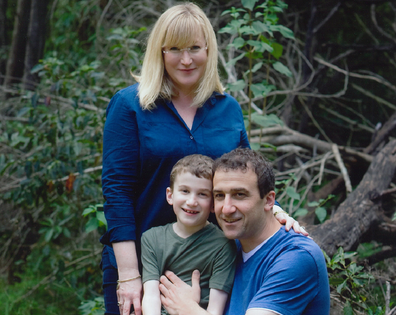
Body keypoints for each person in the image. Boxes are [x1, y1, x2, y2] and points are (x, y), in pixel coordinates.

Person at [100, 3, 305, 315]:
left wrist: (274, 210)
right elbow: (116, 191)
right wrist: (129, 275)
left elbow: (245, 175)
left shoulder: (228, 108)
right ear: (160, 51)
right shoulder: (130, 105)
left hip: (210, 265)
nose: (186, 59)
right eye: (175, 49)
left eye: (194, 48)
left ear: (208, 50)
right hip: (143, 265)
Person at [159, 148, 330, 315]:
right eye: (219, 195)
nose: (226, 209)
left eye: (239, 194)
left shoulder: (296, 257)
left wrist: (188, 310)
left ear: (269, 200)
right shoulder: (228, 246)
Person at [141, 154, 236, 315]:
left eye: (202, 194)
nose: (192, 201)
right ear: (170, 196)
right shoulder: (151, 239)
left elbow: (215, 310)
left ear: (213, 204)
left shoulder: (223, 245)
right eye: (185, 191)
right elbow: (150, 296)